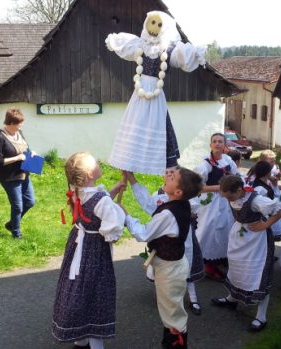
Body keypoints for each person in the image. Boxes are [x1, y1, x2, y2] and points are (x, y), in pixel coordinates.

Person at [106, 11, 206, 175]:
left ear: (165, 28)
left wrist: (195, 53)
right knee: (134, 124)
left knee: (159, 123)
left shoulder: (168, 49)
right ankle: (127, 166)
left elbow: (182, 57)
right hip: (139, 93)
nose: (154, 27)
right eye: (152, 22)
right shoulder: (139, 45)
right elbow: (125, 46)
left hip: (155, 92)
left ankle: (166, 167)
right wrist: (115, 41)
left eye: (159, 24)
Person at [51, 152, 125, 349]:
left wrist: (113, 191)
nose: (98, 162)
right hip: (94, 251)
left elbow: (94, 208)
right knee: (94, 294)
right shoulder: (101, 200)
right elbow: (111, 233)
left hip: (77, 245)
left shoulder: (79, 191)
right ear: (89, 174)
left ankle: (80, 339)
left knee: (80, 290)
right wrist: (120, 213)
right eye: (94, 162)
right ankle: (94, 342)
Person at [124, 167, 203, 349]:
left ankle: (175, 344)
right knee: (171, 310)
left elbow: (144, 234)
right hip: (173, 266)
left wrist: (127, 217)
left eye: (173, 176)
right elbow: (150, 202)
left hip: (170, 270)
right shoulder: (179, 203)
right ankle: (172, 340)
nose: (168, 176)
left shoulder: (168, 213)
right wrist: (132, 179)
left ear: (178, 191)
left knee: (172, 313)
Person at [212, 173, 281, 332]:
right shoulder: (236, 196)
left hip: (257, 241)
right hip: (239, 238)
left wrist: (265, 225)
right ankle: (232, 299)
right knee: (237, 269)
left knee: (258, 275)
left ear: (239, 190)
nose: (227, 200)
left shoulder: (256, 200)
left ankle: (261, 316)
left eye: (228, 197)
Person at [194, 133, 237, 281]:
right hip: (211, 203)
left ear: (225, 144)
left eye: (220, 141)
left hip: (226, 201)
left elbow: (236, 177)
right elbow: (198, 187)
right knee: (209, 231)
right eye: (215, 141)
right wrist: (220, 187)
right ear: (210, 144)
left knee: (226, 229)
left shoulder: (228, 160)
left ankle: (220, 258)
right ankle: (206, 264)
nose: (217, 144)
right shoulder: (204, 164)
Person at [0, 109, 36, 239]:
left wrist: (31, 152)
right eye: (19, 123)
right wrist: (17, 158)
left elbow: (26, 148)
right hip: (9, 177)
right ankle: (16, 233)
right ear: (11, 123)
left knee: (30, 201)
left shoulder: (19, 133)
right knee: (17, 206)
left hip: (23, 173)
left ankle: (11, 224)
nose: (21, 126)